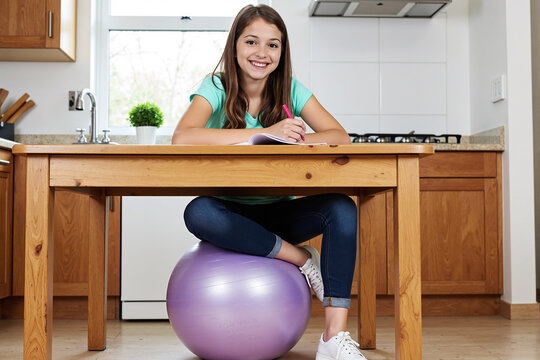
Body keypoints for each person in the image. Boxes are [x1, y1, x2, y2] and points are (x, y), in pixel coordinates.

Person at [172, 4, 367, 360]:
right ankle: (302, 260)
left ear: (282, 51)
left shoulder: (291, 89)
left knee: (341, 207)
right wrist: (264, 131)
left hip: (280, 212)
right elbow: (183, 137)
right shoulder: (215, 86)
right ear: (235, 46)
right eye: (252, 42)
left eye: (273, 45)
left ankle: (333, 338)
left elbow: (340, 135)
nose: (262, 53)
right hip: (232, 216)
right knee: (197, 212)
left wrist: (297, 139)